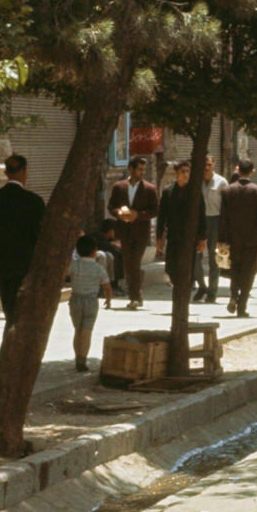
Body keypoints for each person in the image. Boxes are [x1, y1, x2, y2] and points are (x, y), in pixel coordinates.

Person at [0, 154, 47, 330]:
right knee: (21, 311)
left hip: (0, 264)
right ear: (24, 172)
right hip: (25, 264)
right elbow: (41, 237)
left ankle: (10, 345)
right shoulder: (34, 201)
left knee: (9, 309)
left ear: (6, 173)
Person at [219, 158, 257, 318]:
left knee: (234, 269)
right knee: (249, 272)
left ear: (238, 170)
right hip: (251, 239)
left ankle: (233, 295)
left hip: (232, 238)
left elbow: (223, 217)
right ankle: (241, 305)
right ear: (252, 171)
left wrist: (221, 239)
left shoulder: (227, 191)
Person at [107, 156, 159, 310]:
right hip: (124, 231)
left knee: (134, 262)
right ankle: (136, 294)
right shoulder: (119, 187)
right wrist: (120, 213)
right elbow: (111, 206)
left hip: (141, 232)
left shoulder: (150, 189)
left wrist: (138, 215)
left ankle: (134, 296)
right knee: (128, 263)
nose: (142, 172)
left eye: (144, 169)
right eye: (139, 169)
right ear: (131, 169)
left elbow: (154, 210)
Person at [155, 160, 207, 293]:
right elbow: (162, 216)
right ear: (176, 174)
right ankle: (178, 286)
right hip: (174, 235)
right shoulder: (168, 192)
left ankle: (185, 290)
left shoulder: (195, 192)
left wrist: (202, 238)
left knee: (188, 266)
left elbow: (201, 215)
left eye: (187, 171)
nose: (185, 174)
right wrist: (159, 237)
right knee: (171, 267)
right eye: (182, 172)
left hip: (191, 236)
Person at [68, 235, 112, 372]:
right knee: (87, 331)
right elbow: (107, 286)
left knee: (78, 330)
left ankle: (77, 358)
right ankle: (83, 360)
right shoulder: (99, 268)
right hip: (91, 301)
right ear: (94, 251)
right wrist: (108, 299)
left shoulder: (73, 265)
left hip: (75, 300)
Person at [195, 155, 228, 303]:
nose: (206, 168)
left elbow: (227, 206)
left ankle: (212, 292)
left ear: (213, 165)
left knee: (217, 258)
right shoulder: (196, 182)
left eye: (209, 165)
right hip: (199, 222)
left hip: (217, 220)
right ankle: (202, 286)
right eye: (204, 165)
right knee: (196, 257)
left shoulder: (221, 182)